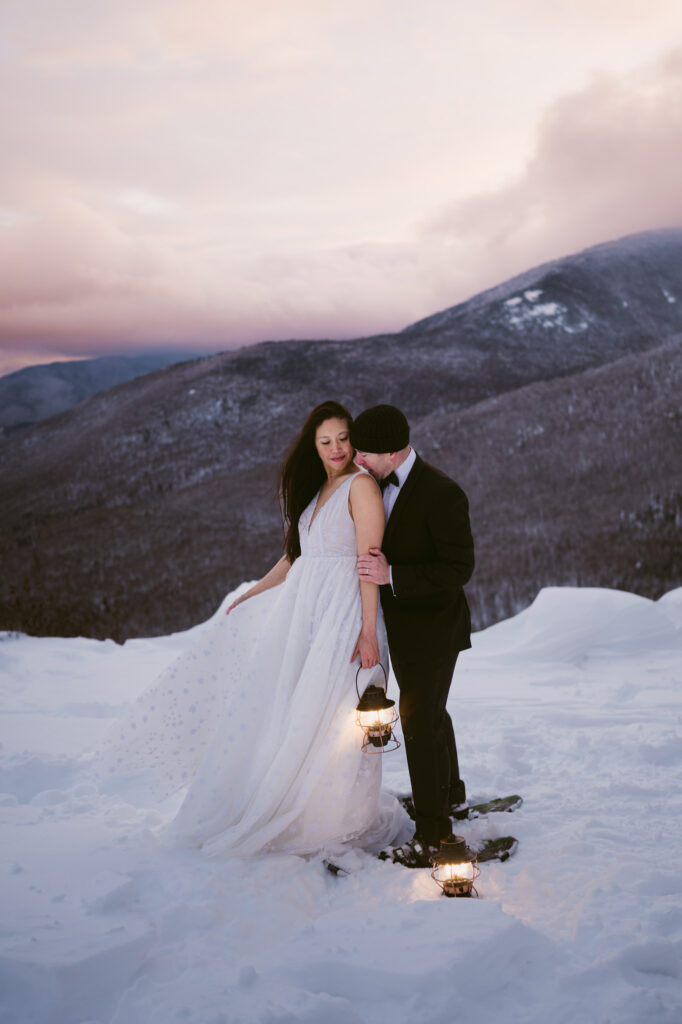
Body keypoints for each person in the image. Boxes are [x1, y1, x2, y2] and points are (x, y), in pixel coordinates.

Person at [97, 401, 404, 858]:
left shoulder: (362, 487)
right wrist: (253, 592)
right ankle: (292, 802)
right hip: (307, 613)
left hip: (345, 612)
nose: (338, 448)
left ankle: (340, 817)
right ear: (313, 446)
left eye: (344, 438)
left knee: (334, 715)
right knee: (294, 713)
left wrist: (365, 630)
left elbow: (368, 563)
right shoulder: (320, 488)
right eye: (326, 441)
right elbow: (297, 555)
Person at [351, 404, 474, 867]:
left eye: (364, 451)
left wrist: (392, 575)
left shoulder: (442, 492)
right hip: (400, 629)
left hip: (435, 629)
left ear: (390, 450)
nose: (357, 459)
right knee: (433, 715)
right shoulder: (375, 485)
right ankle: (452, 796)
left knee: (419, 724)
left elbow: (460, 568)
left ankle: (433, 835)